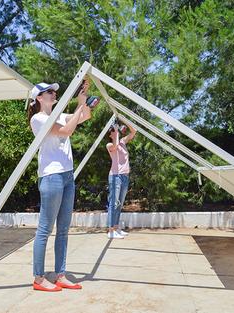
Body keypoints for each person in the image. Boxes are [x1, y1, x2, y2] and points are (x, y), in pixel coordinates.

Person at [28, 81, 91, 292]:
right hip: (51, 176)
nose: (54, 93)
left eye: (55, 91)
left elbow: (85, 117)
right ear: (39, 98)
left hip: (66, 175)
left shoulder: (60, 114)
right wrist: (79, 105)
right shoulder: (38, 119)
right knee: (45, 229)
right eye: (49, 92)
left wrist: (84, 100)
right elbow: (65, 131)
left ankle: (60, 274)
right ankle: (39, 278)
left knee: (63, 229)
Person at [106, 119, 136, 239]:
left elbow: (134, 131)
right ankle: (110, 230)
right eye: (113, 131)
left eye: (116, 130)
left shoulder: (123, 142)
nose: (116, 131)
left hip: (124, 176)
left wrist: (124, 120)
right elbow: (115, 146)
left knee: (120, 204)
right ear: (110, 134)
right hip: (115, 176)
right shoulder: (109, 145)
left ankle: (116, 228)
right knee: (114, 203)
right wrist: (116, 133)